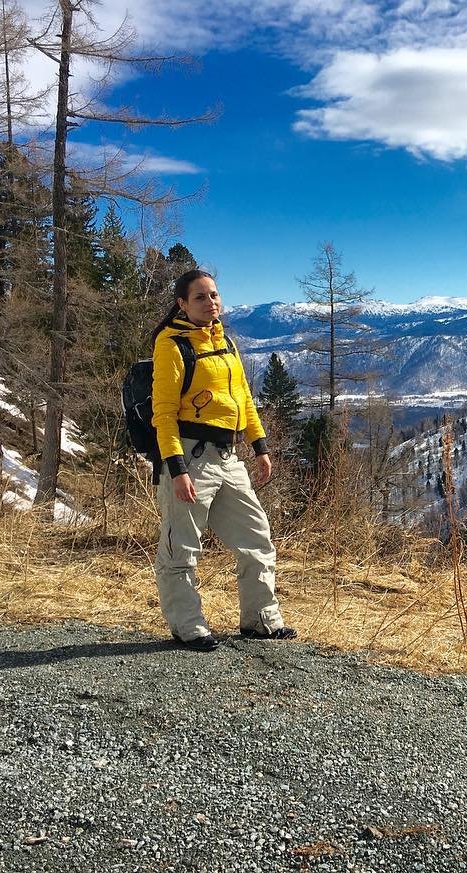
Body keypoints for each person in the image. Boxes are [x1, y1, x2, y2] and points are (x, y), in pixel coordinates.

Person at [150, 268, 296, 651]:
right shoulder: (172, 345)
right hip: (190, 457)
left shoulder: (226, 342)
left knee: (256, 537)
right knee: (181, 547)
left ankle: (260, 620)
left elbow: (243, 397)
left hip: (228, 457)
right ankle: (188, 626)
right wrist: (176, 469)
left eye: (213, 295)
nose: (210, 302)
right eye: (200, 297)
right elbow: (163, 414)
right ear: (182, 304)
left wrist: (259, 446)